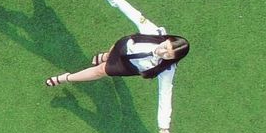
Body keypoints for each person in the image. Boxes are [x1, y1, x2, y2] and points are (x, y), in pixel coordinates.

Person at [47, 34, 189, 89]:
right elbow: (132, 12)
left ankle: (66, 77)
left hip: (127, 67)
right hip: (124, 46)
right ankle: (106, 57)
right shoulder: (153, 31)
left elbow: (166, 94)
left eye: (168, 56)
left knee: (100, 71)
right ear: (166, 40)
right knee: (111, 53)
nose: (162, 52)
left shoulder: (167, 70)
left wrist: (164, 127)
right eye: (165, 47)